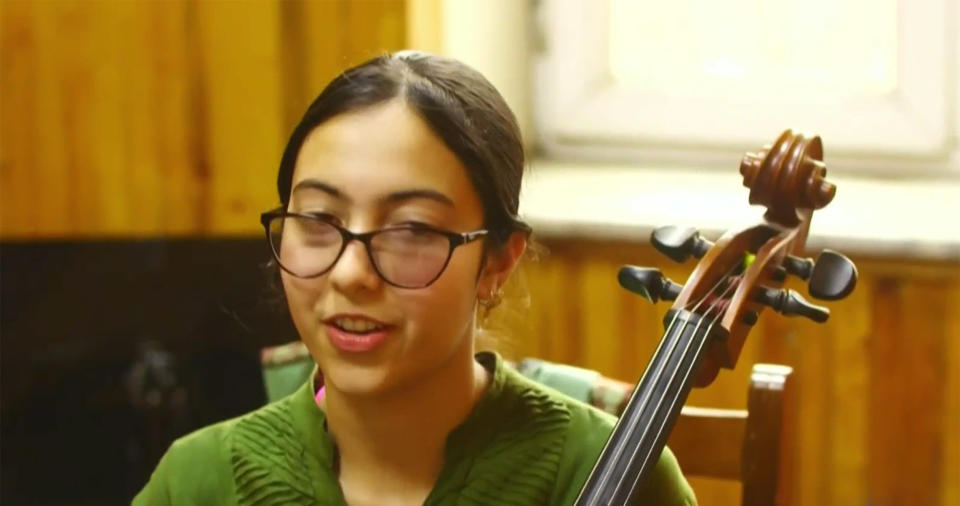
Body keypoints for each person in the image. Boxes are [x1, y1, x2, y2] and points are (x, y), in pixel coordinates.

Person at [134, 51, 696, 506]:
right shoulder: (198, 481)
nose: (351, 274)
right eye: (319, 221)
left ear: (498, 262)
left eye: (410, 230)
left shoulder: (603, 470)